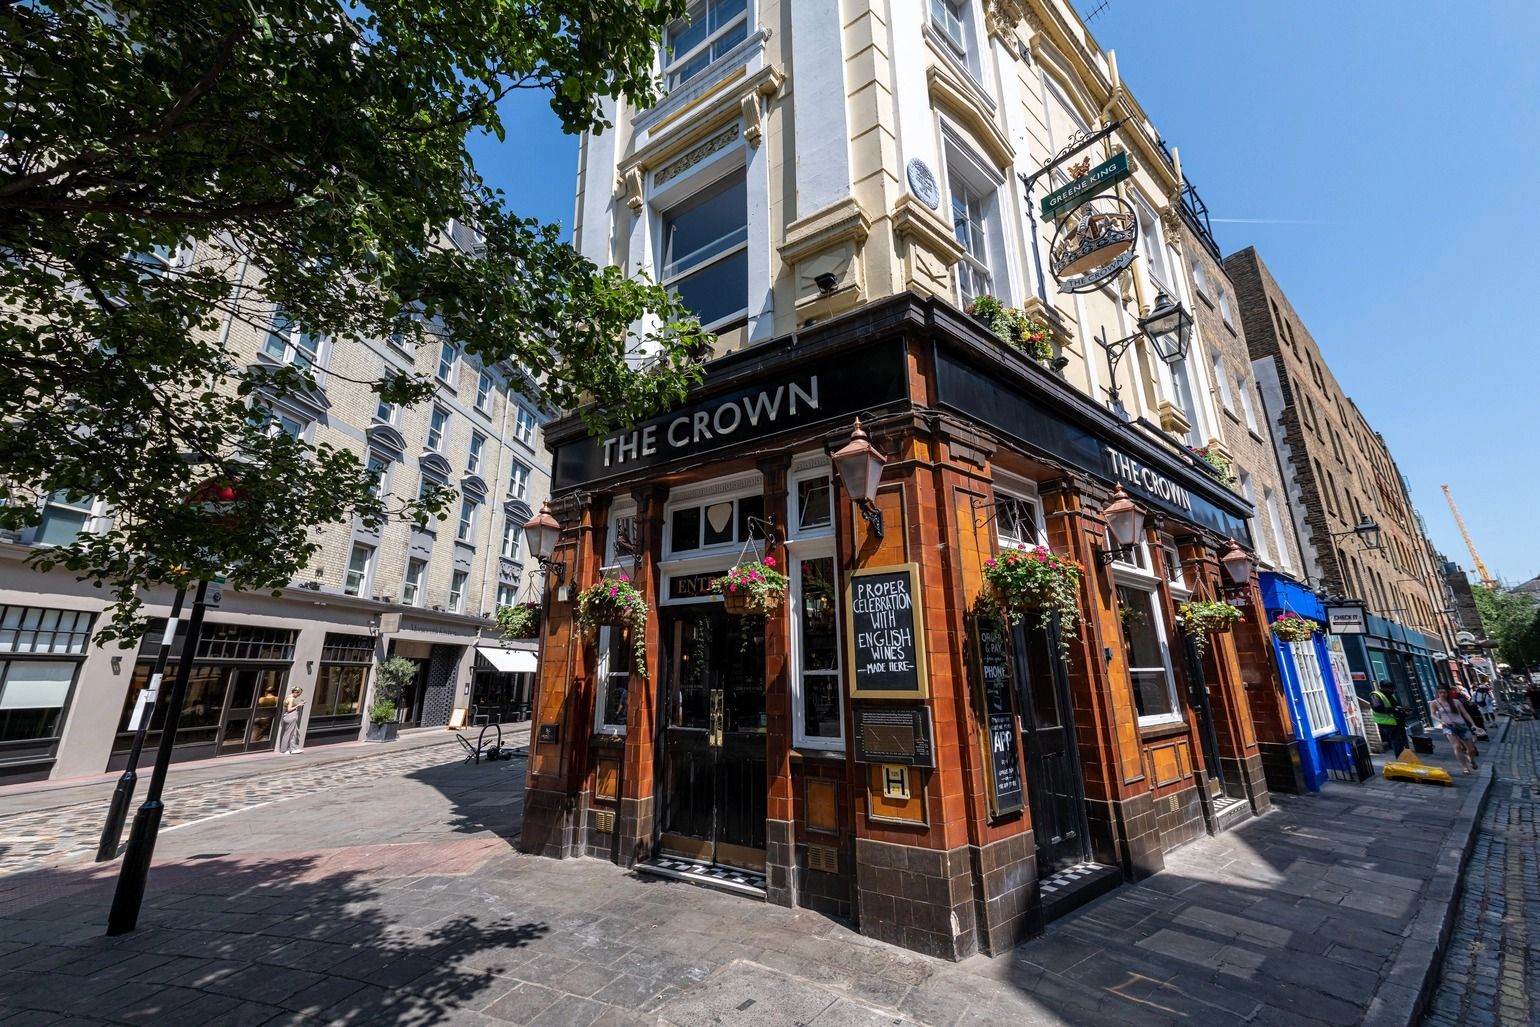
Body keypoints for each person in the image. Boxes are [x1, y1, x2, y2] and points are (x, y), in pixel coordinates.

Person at [1430, 685, 1479, 774]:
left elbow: (1465, 713)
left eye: (1444, 692)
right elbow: (1432, 714)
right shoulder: (1434, 703)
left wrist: (1473, 724)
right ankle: (1465, 767)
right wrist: (1440, 721)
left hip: (1462, 726)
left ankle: (1471, 760)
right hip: (1448, 727)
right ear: (1437, 693)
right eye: (1440, 692)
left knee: (1471, 749)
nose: (1442, 694)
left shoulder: (1456, 702)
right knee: (1457, 746)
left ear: (1448, 692)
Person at [1369, 681, 1408, 758]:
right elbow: (1377, 708)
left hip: (1397, 721)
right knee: (1397, 742)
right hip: (1388, 723)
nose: (1393, 691)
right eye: (1391, 689)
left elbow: (1395, 706)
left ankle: (1406, 757)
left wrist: (1403, 712)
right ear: (1385, 688)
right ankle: (1401, 759)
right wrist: (1394, 709)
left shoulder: (1388, 695)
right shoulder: (1375, 695)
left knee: (1402, 741)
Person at [279, 686, 305, 754]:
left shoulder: (288, 697)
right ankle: (284, 750)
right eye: (299, 694)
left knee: (292, 734)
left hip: (289, 717)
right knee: (288, 734)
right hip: (290, 717)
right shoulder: (291, 699)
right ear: (295, 692)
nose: (299, 696)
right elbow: (289, 709)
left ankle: (292, 749)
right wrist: (298, 705)